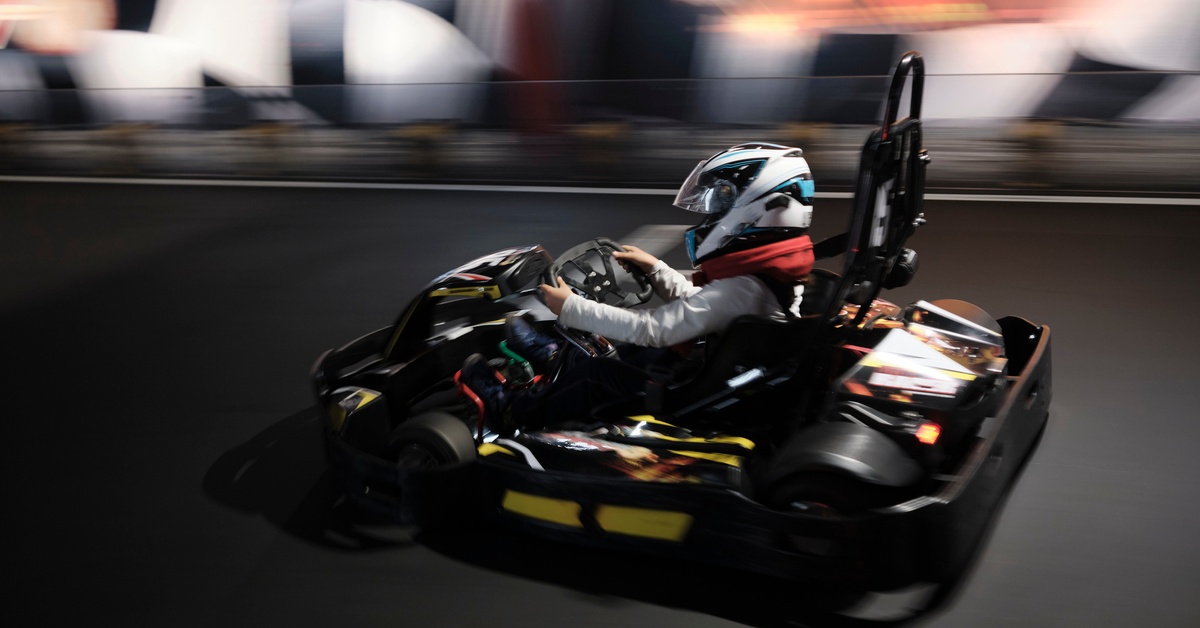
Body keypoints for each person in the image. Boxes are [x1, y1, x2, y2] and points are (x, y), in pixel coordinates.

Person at [461, 142, 817, 428]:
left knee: (599, 374)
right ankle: (561, 360)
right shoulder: (770, 277)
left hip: (687, 391)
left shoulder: (746, 288)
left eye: (724, 198)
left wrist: (570, 307)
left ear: (765, 207)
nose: (713, 212)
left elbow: (655, 329)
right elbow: (706, 306)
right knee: (630, 353)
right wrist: (658, 269)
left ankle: (510, 409)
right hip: (709, 363)